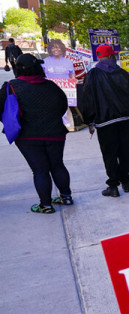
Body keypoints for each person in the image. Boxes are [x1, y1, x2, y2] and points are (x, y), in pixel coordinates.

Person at [0, 54, 72, 213]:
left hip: (27, 136)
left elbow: (2, 110)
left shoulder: (11, 86)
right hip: (55, 133)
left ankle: (46, 205)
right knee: (57, 165)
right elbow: (62, 106)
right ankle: (66, 197)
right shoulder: (51, 86)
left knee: (40, 170)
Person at [80, 45, 129, 197]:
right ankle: (125, 181)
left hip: (105, 122)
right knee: (126, 151)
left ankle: (113, 186)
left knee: (109, 153)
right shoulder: (123, 73)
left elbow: (88, 99)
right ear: (112, 55)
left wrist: (89, 121)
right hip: (125, 119)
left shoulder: (92, 74)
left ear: (98, 55)